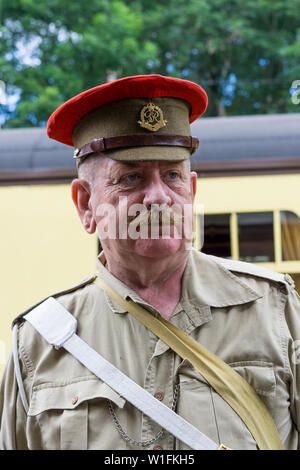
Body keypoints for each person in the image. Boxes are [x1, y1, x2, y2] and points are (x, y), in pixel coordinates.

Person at [1, 74, 300, 451]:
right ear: (85, 204)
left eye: (172, 175)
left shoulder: (276, 310)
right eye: (131, 178)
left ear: (190, 192)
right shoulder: (40, 342)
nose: (158, 197)